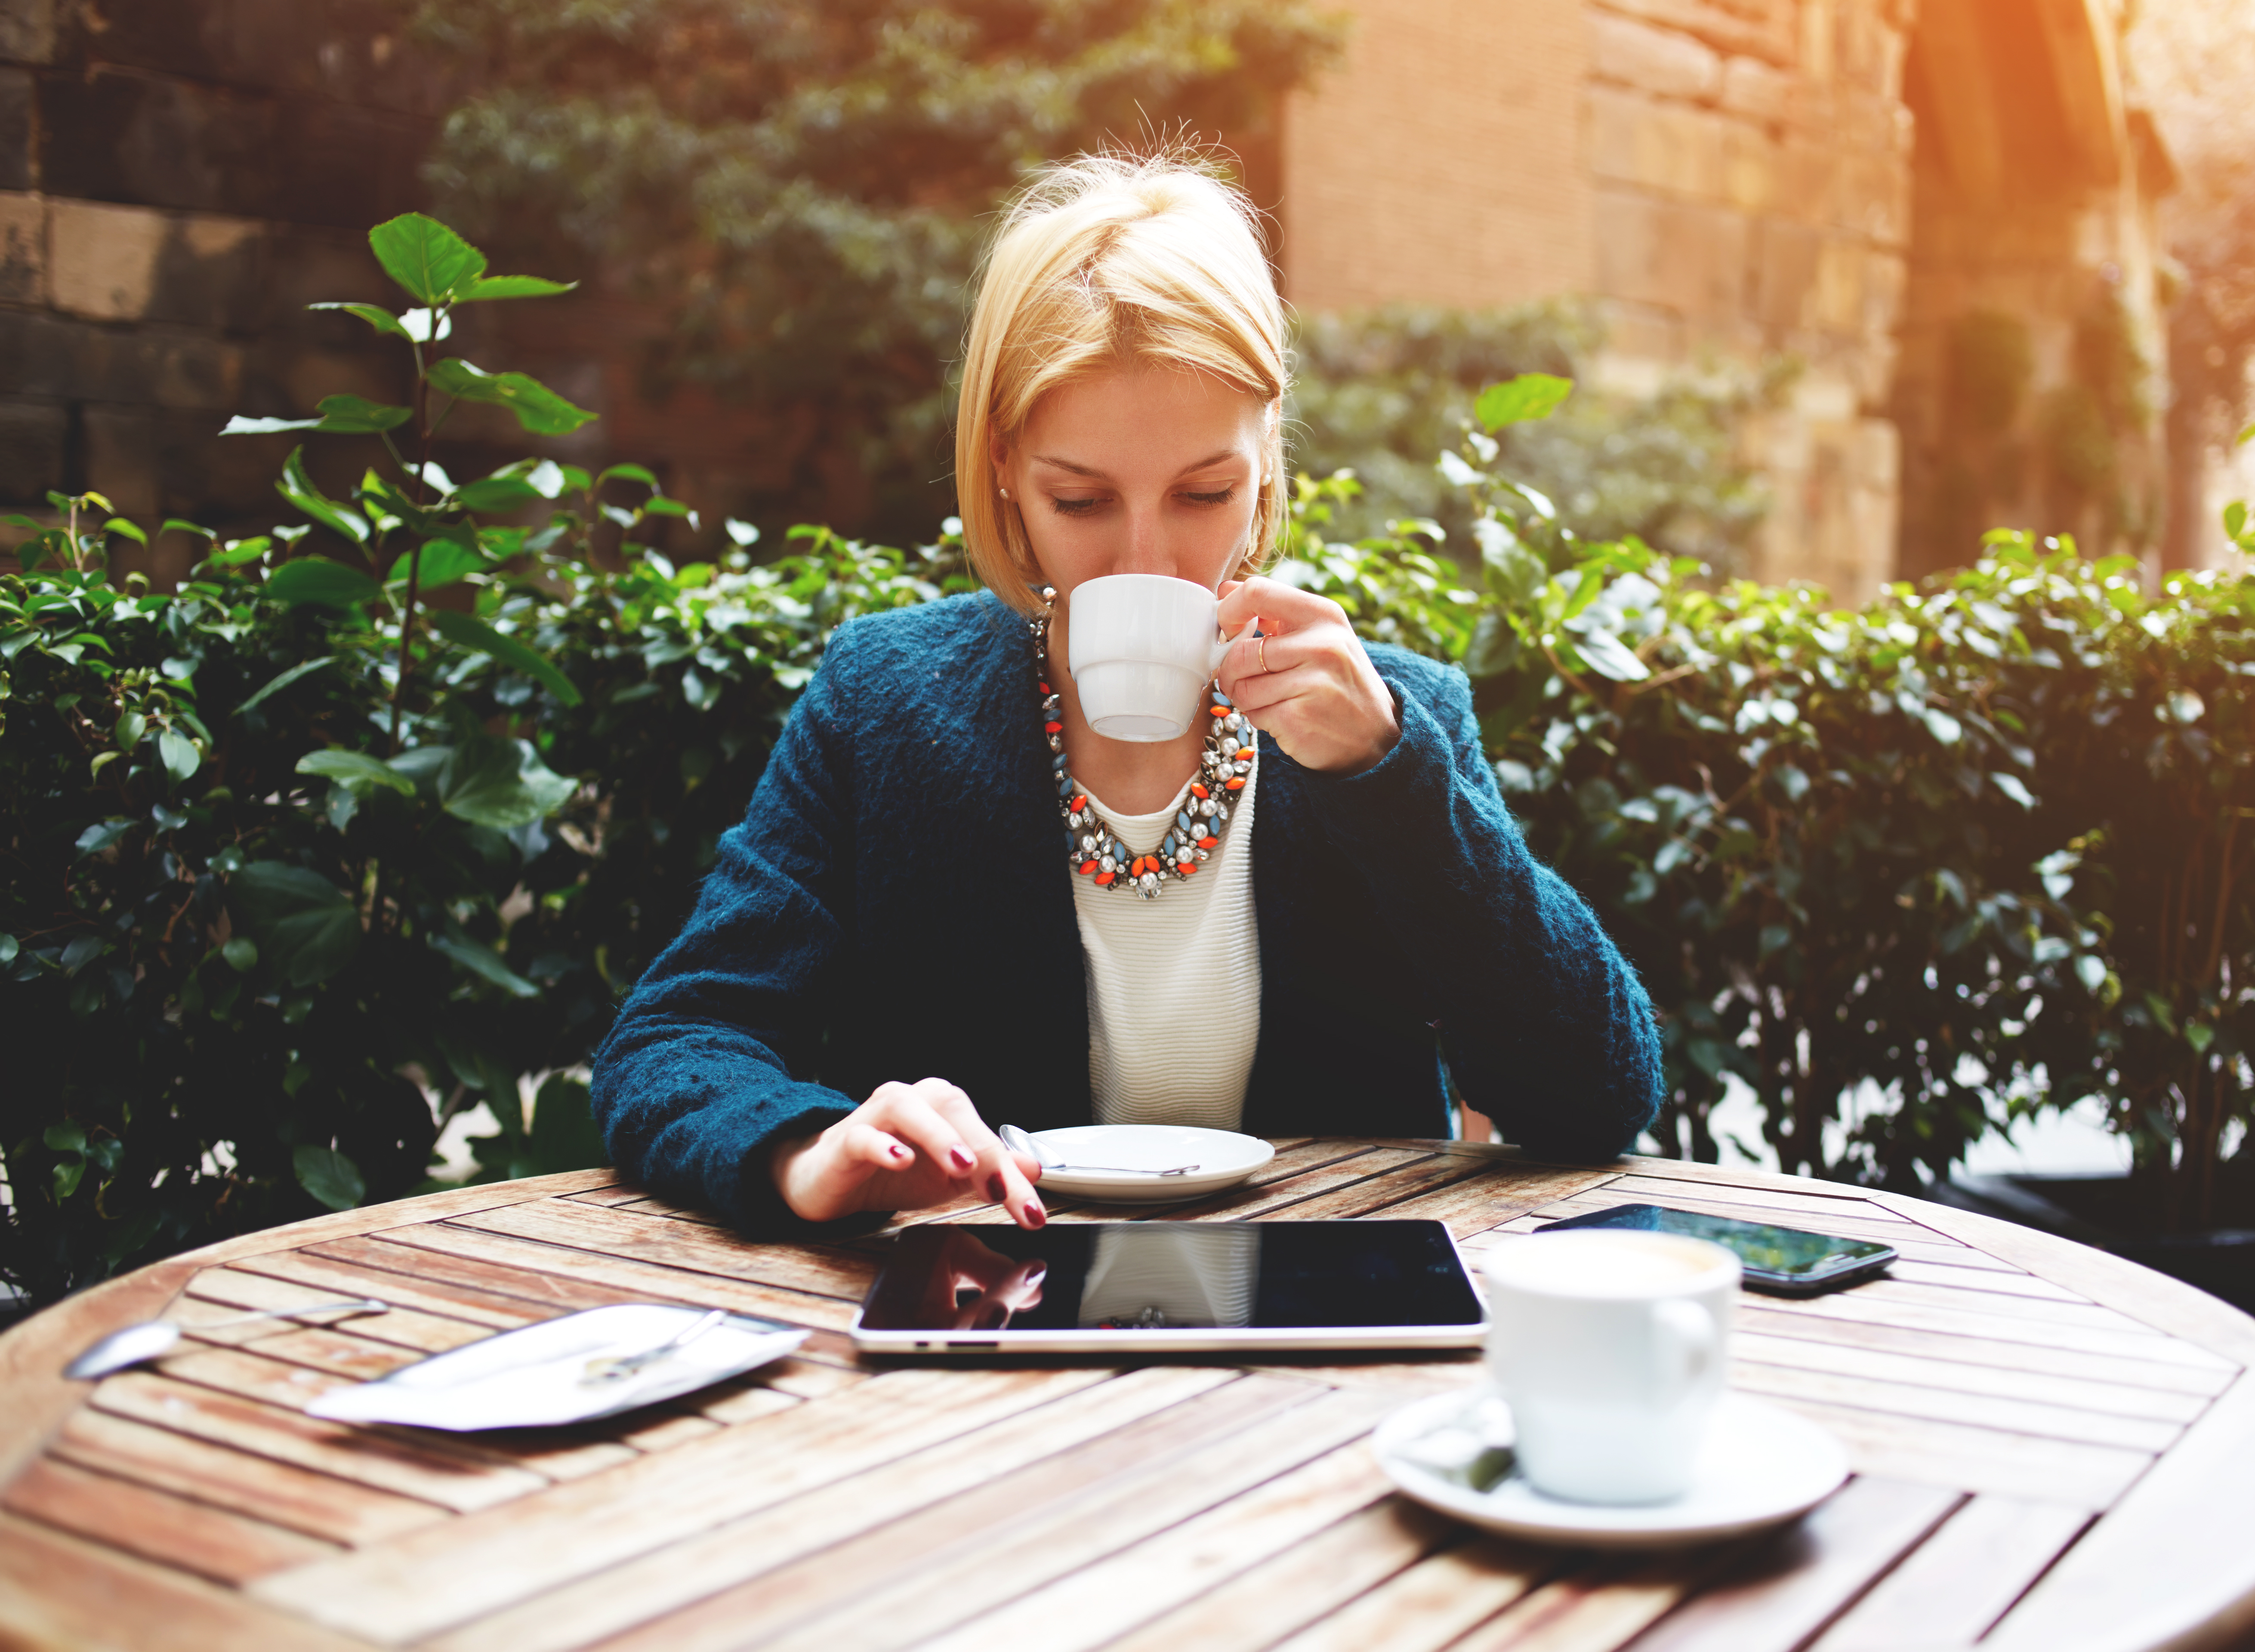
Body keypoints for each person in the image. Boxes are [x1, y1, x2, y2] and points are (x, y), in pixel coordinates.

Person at [591, 149, 1663, 1236]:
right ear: (1003, 465)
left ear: (1267, 454)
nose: (1147, 561)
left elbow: (1598, 1097)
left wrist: (1388, 776)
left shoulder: (1392, 722)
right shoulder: (885, 706)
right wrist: (804, 1149)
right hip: (985, 1312)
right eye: (1082, 500)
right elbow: (677, 1038)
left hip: (1326, 1315)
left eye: (1204, 493)